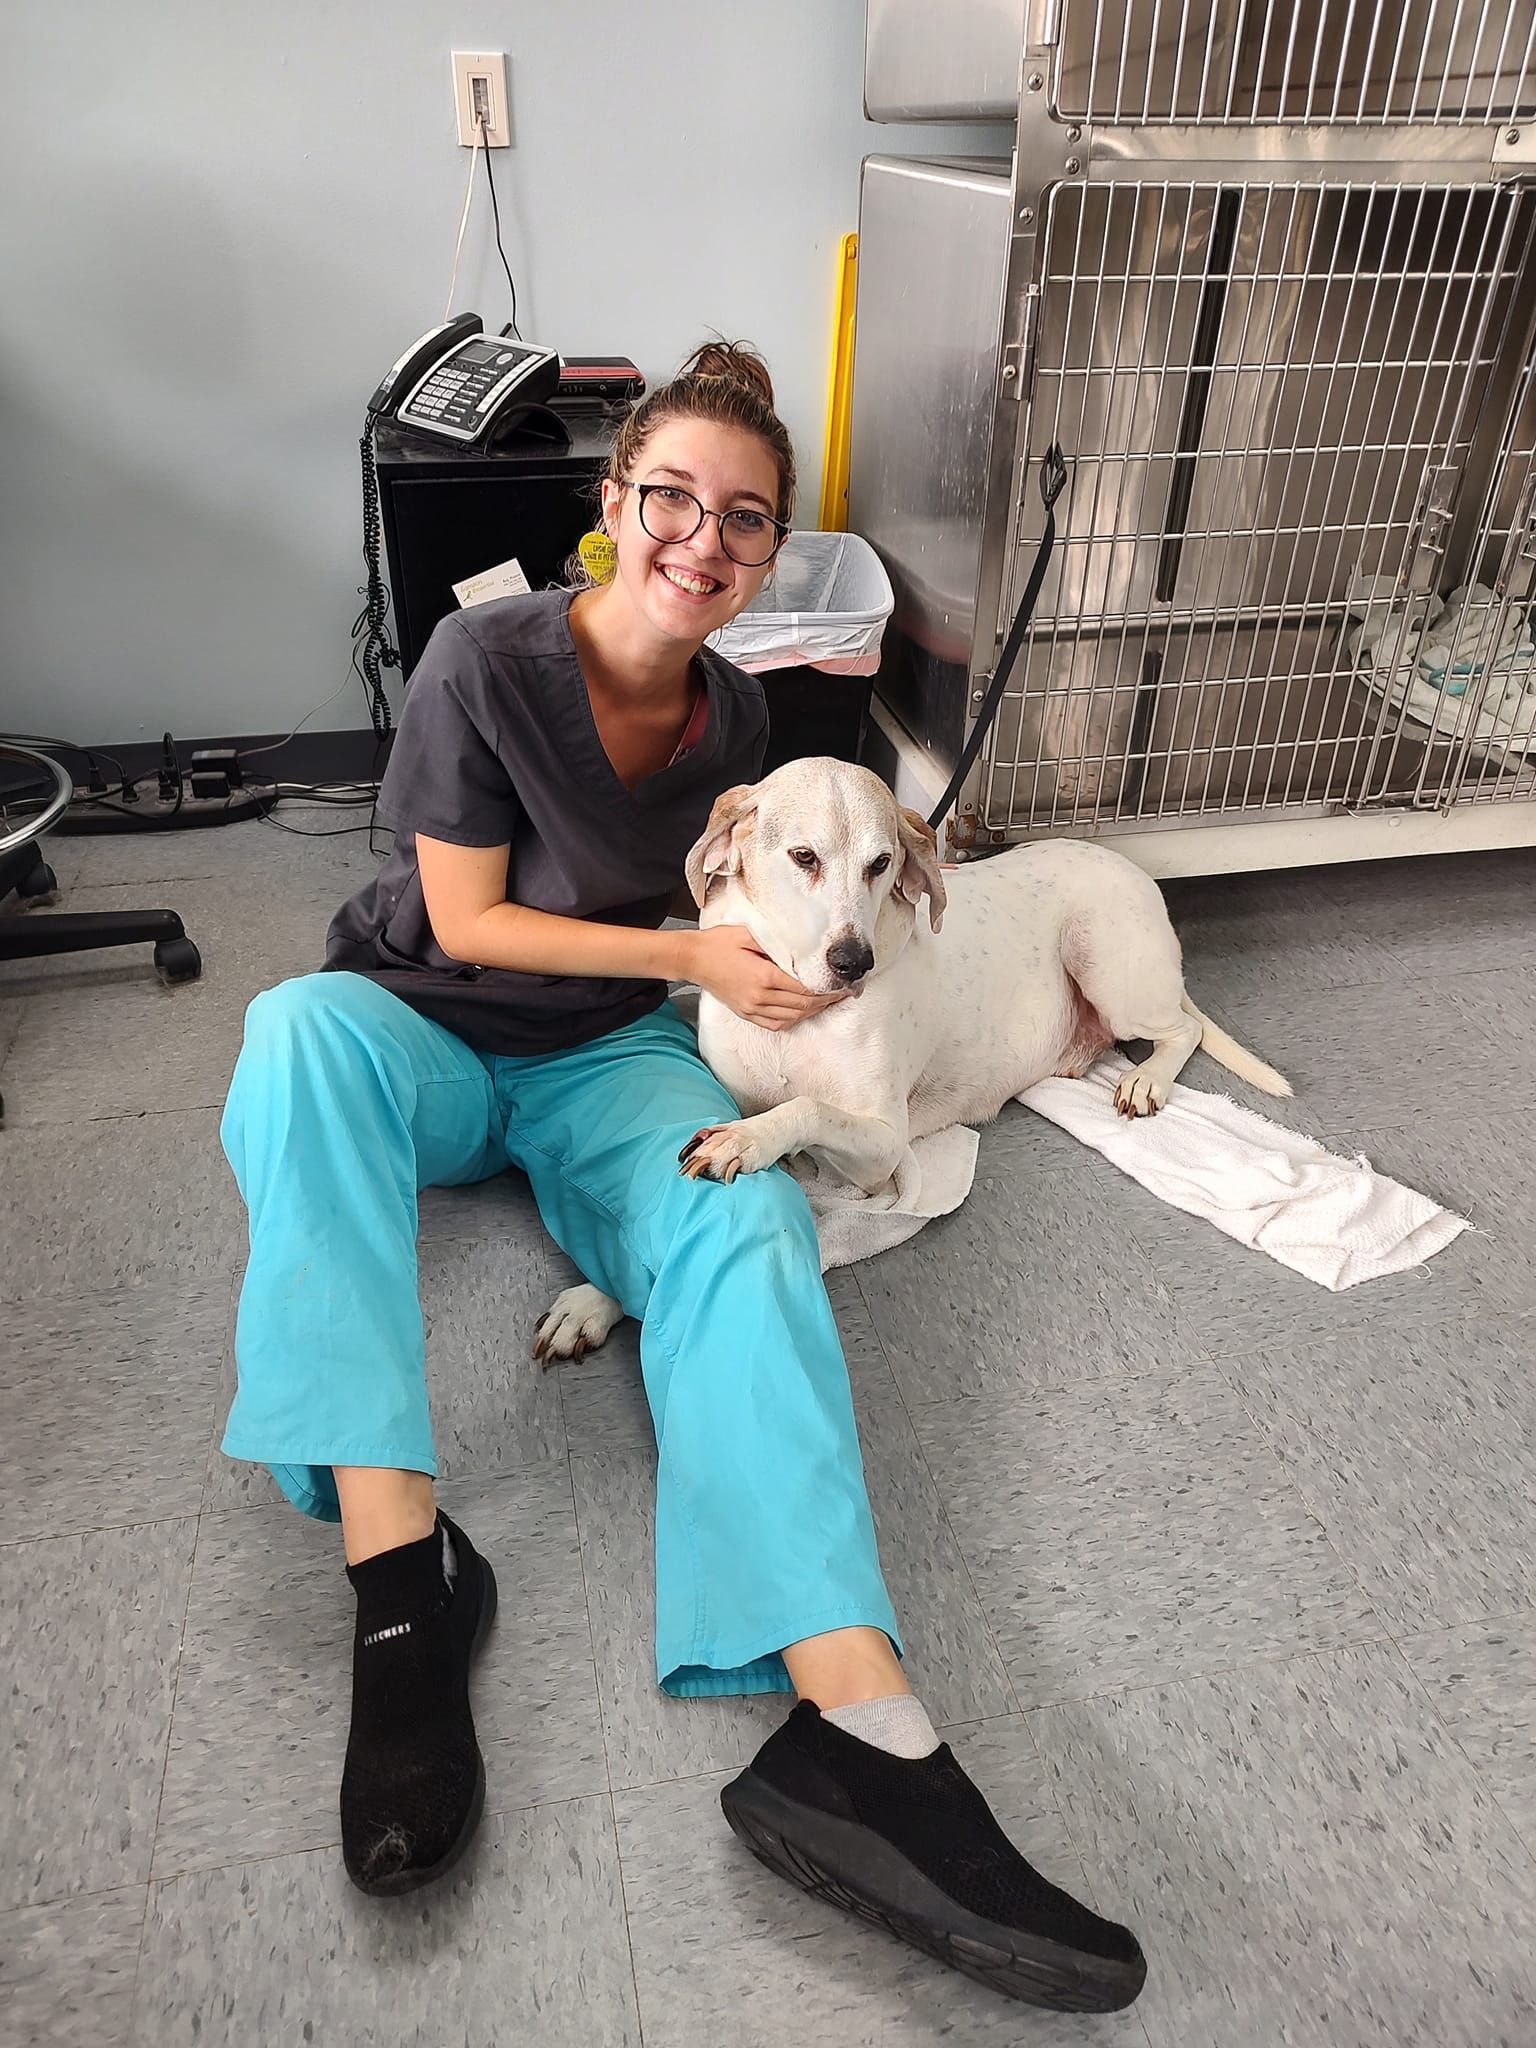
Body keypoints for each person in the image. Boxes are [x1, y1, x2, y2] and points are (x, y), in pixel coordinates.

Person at [218, 342, 1146, 2014]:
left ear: (770, 549)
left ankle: (859, 1735)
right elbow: (471, 921)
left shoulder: (743, 722)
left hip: (610, 1056)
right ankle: (403, 1589)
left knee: (746, 1214)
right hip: (423, 1024)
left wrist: (767, 980)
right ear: (612, 506)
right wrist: (700, 957)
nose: (700, 542)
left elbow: (784, 909)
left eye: (744, 520)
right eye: (671, 502)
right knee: (290, 1038)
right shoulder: (475, 658)